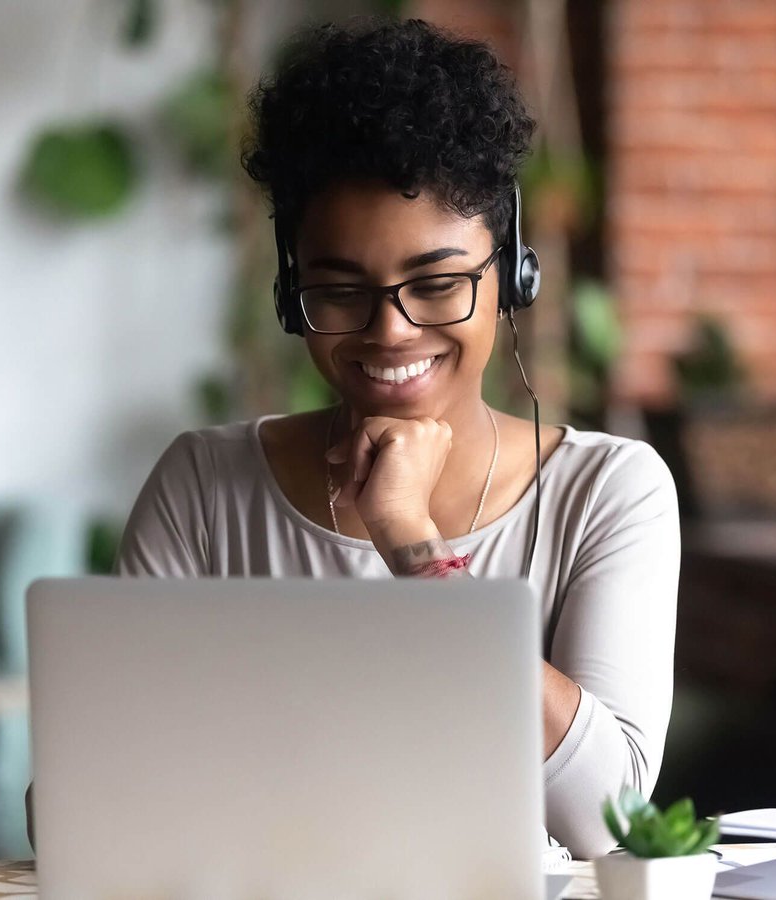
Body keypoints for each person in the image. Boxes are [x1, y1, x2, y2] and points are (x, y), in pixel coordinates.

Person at [110, 17, 679, 860]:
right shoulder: (204, 485)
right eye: (341, 292)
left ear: (511, 275)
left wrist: (412, 541)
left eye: (437, 283)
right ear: (290, 291)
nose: (390, 331)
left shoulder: (607, 492)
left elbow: (610, 820)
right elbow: (98, 803)